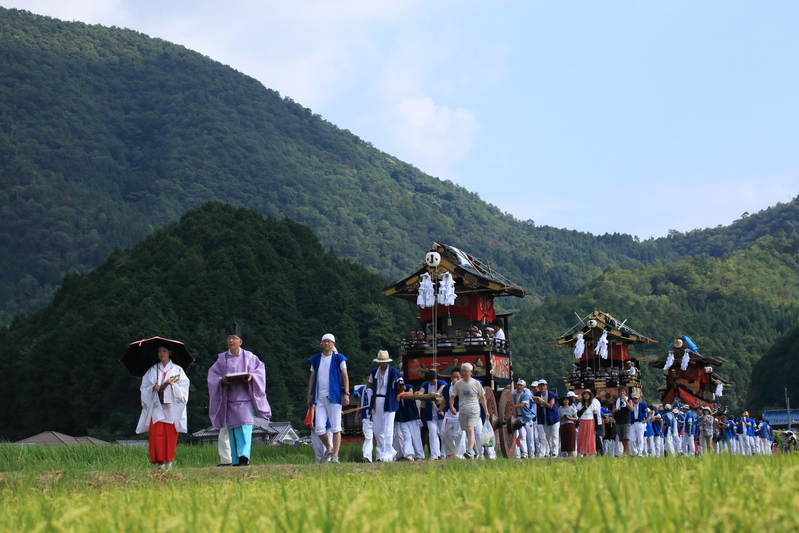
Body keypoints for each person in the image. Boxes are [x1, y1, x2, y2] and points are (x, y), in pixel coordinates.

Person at [207, 323, 271, 466]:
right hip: (229, 400)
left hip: (244, 400)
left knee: (245, 428)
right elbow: (212, 375)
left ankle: (244, 456)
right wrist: (221, 380)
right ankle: (235, 460)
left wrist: (251, 377)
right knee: (233, 430)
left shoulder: (249, 357)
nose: (231, 341)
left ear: (240, 341)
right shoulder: (222, 359)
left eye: (234, 338)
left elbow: (260, 371)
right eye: (229, 338)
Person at [136, 344, 190, 468]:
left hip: (171, 405)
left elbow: (184, 386)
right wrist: (152, 388)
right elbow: (144, 387)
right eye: (159, 351)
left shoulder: (177, 370)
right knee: (157, 433)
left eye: (164, 351)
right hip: (156, 405)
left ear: (169, 352)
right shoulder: (152, 370)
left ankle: (169, 460)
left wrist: (173, 387)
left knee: (170, 433)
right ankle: (160, 461)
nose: (162, 354)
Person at [307, 333, 350, 464]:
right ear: (321, 343)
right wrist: (309, 394)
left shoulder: (338, 358)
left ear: (333, 344)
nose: (326, 344)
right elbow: (312, 377)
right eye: (324, 341)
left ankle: (335, 455)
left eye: (329, 341)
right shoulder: (316, 359)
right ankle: (329, 448)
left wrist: (346, 393)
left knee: (336, 427)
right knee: (319, 428)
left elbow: (345, 376)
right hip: (319, 396)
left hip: (335, 396)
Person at [449, 362, 489, 459]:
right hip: (463, 410)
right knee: (467, 432)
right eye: (462, 371)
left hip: (474, 409)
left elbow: (483, 398)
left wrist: (486, 411)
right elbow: (452, 397)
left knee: (471, 430)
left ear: (471, 372)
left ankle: (470, 451)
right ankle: (477, 452)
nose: (463, 373)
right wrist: (452, 406)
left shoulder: (476, 383)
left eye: (465, 371)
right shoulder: (458, 384)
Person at [369, 350, 402, 462]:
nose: (382, 364)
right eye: (380, 362)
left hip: (389, 400)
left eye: (384, 362)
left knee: (388, 428)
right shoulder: (374, 372)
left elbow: (402, 386)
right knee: (377, 429)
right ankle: (381, 452)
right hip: (377, 399)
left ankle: (387, 452)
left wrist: (394, 393)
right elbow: (370, 385)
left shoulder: (394, 372)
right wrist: (371, 402)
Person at [417, 370, 447, 460]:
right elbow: (421, 391)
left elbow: (442, 389)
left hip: (440, 413)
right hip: (430, 413)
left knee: (443, 433)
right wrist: (419, 393)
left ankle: (444, 454)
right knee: (432, 433)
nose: (432, 382)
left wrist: (436, 393)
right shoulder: (425, 384)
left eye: (433, 380)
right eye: (430, 381)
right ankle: (434, 454)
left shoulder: (441, 382)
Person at [442, 369, 466, 459]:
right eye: (453, 377)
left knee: (460, 433)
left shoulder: (464, 387)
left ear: (461, 377)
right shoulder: (446, 388)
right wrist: (441, 408)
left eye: (457, 377)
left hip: (460, 412)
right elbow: (445, 399)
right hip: (449, 413)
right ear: (450, 378)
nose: (455, 379)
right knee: (445, 433)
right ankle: (450, 453)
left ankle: (459, 454)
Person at [533, 379, 560, 457]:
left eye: (543, 385)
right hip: (544, 418)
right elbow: (531, 395)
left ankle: (555, 452)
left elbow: (550, 406)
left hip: (553, 418)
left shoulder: (551, 394)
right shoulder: (537, 394)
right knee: (547, 436)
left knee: (554, 435)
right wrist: (536, 398)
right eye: (540, 385)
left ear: (546, 386)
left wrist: (542, 401)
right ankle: (551, 451)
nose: (542, 387)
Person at [512, 379, 536, 458]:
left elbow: (521, 405)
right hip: (518, 418)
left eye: (521, 385)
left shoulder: (526, 395)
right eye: (518, 385)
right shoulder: (513, 394)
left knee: (530, 437)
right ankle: (524, 453)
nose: (519, 387)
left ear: (524, 387)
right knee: (522, 436)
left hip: (527, 418)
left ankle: (531, 453)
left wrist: (511, 406)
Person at [355, 372, 375, 462]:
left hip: (376, 416)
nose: (369, 380)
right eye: (367, 378)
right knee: (368, 437)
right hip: (366, 416)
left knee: (381, 436)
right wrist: (357, 414)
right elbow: (359, 402)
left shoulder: (377, 388)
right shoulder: (362, 389)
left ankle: (383, 456)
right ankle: (367, 457)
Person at [576, 390, 602, 456]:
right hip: (583, 421)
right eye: (585, 394)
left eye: (587, 394)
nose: (586, 396)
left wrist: (596, 426)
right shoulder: (580, 404)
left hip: (590, 421)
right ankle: (584, 452)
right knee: (583, 437)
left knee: (590, 437)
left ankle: (590, 452)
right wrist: (584, 408)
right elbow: (578, 414)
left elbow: (595, 415)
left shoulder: (593, 404)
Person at [627, 392, 648, 457]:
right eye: (634, 399)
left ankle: (640, 453)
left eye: (636, 399)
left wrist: (646, 419)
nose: (635, 400)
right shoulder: (631, 405)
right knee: (632, 439)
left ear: (638, 399)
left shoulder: (642, 405)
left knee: (640, 438)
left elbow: (649, 411)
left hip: (640, 422)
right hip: (633, 423)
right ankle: (634, 452)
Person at [613, 389, 632, 456]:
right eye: (620, 391)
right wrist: (615, 410)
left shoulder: (629, 400)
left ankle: (625, 451)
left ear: (626, 393)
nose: (622, 393)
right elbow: (613, 411)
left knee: (626, 437)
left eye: (623, 391)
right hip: (618, 421)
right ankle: (627, 451)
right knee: (622, 438)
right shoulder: (616, 401)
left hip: (626, 420)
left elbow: (631, 409)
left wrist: (625, 401)